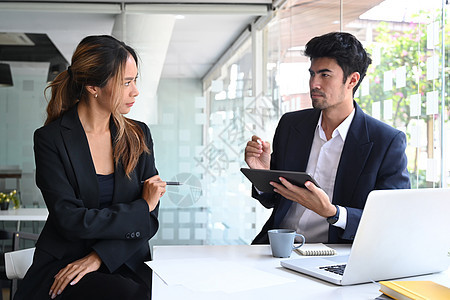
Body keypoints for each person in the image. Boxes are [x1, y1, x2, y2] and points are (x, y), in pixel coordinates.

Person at [15, 35, 166, 300]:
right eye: (126, 82)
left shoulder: (138, 135)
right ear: (93, 86)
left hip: (126, 260)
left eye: (135, 80)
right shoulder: (50, 139)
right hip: (65, 263)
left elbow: (149, 222)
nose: (136, 91)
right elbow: (71, 220)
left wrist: (99, 257)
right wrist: (141, 206)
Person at [245, 32, 410, 245]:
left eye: (325, 75)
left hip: (335, 255)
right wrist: (263, 174)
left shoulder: (386, 142)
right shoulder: (291, 125)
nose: (314, 83)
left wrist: (332, 212)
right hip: (276, 249)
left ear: (352, 80)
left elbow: (392, 219)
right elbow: (272, 200)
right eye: (312, 74)